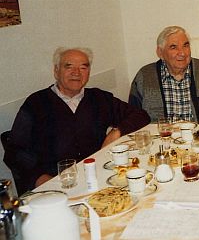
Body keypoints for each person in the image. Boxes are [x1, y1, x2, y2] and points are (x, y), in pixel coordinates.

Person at [3, 47, 151, 194]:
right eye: (69, 66)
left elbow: (141, 116)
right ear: (56, 71)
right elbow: (14, 150)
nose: (76, 72)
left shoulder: (98, 98)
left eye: (83, 67)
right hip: (56, 181)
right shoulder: (36, 104)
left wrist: (116, 132)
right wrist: (39, 178)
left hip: (96, 176)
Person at [129, 25, 199, 123]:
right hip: (162, 138)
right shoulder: (145, 76)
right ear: (160, 53)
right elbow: (133, 116)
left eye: (185, 45)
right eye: (173, 47)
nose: (182, 53)